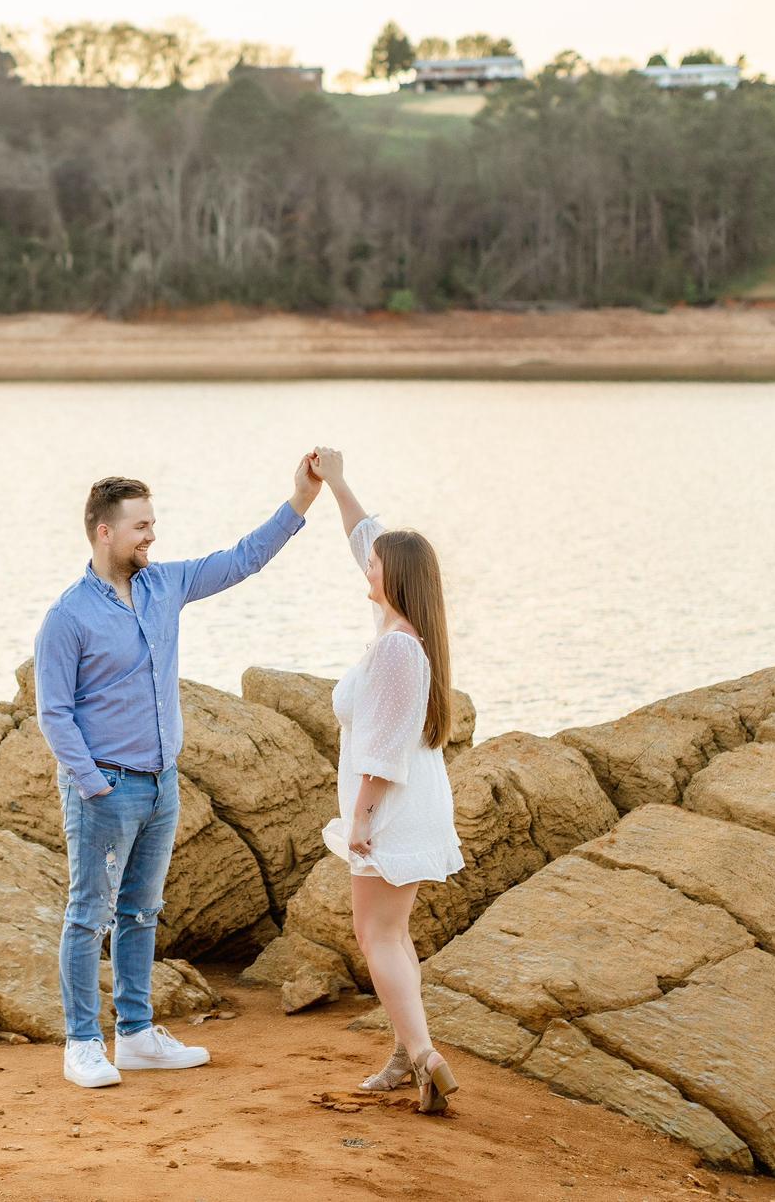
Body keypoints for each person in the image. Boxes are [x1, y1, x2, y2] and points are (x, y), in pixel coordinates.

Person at [36, 461, 322, 1089]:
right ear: (105, 532)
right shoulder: (68, 616)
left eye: (152, 524)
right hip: (104, 790)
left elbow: (242, 559)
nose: (152, 536)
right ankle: (82, 1043)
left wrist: (300, 500)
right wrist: (93, 784)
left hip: (162, 784)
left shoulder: (166, 585)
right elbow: (53, 713)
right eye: (140, 527)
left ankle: (136, 1035)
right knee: (88, 916)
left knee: (142, 911)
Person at [311, 445, 466, 1113]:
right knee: (393, 934)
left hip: (390, 808)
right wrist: (337, 483)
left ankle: (425, 1056)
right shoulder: (401, 629)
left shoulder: (398, 649)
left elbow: (382, 750)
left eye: (375, 564)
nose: (365, 565)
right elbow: (365, 537)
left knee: (377, 936)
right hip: (406, 803)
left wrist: (362, 820)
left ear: (395, 578)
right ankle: (407, 1054)